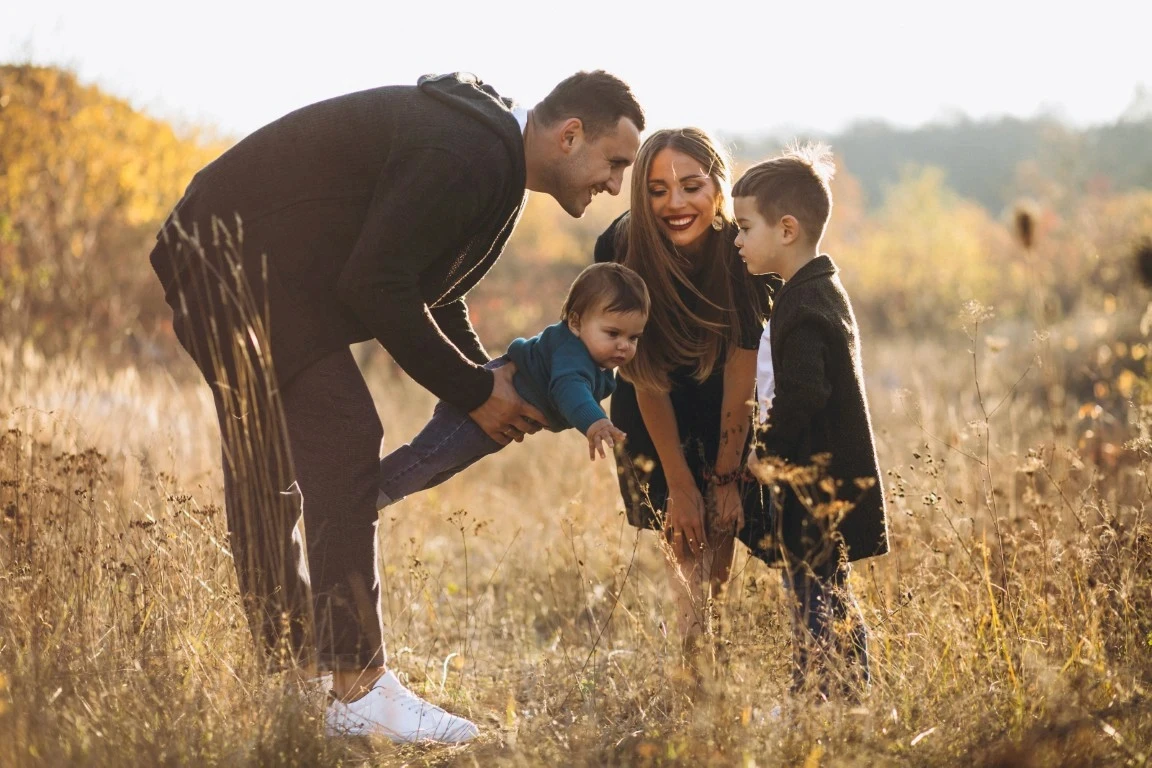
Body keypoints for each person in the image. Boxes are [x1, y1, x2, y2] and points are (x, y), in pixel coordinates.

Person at [149, 71, 644, 741]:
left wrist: (485, 377)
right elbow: (376, 283)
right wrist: (475, 392)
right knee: (344, 435)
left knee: (274, 466)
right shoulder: (470, 154)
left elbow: (428, 290)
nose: (616, 185)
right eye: (615, 163)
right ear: (569, 135)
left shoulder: (490, 157)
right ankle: (358, 686)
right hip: (232, 256)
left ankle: (296, 683)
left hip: (234, 255)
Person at [593, 128, 770, 656]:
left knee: (721, 528)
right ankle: (692, 651)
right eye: (657, 190)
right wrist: (679, 484)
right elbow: (643, 370)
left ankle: (709, 628)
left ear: (718, 188)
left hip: (726, 400)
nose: (675, 203)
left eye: (691, 186)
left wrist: (725, 476)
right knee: (683, 522)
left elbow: (742, 368)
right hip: (650, 395)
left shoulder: (741, 248)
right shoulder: (621, 247)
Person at [732, 143, 889, 698]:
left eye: (745, 227)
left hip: (815, 484)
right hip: (822, 481)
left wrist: (764, 452)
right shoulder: (816, 291)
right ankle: (838, 695)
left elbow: (803, 395)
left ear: (787, 229)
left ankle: (824, 701)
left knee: (814, 599)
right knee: (826, 594)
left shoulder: (804, 304)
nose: (737, 240)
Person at [375, 262, 649, 508]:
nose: (624, 345)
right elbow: (569, 388)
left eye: (633, 337)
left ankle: (372, 495)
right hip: (482, 400)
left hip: (495, 417)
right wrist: (595, 421)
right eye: (612, 333)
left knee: (439, 468)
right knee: (429, 457)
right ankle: (363, 495)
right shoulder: (571, 351)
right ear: (576, 323)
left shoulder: (597, 364)